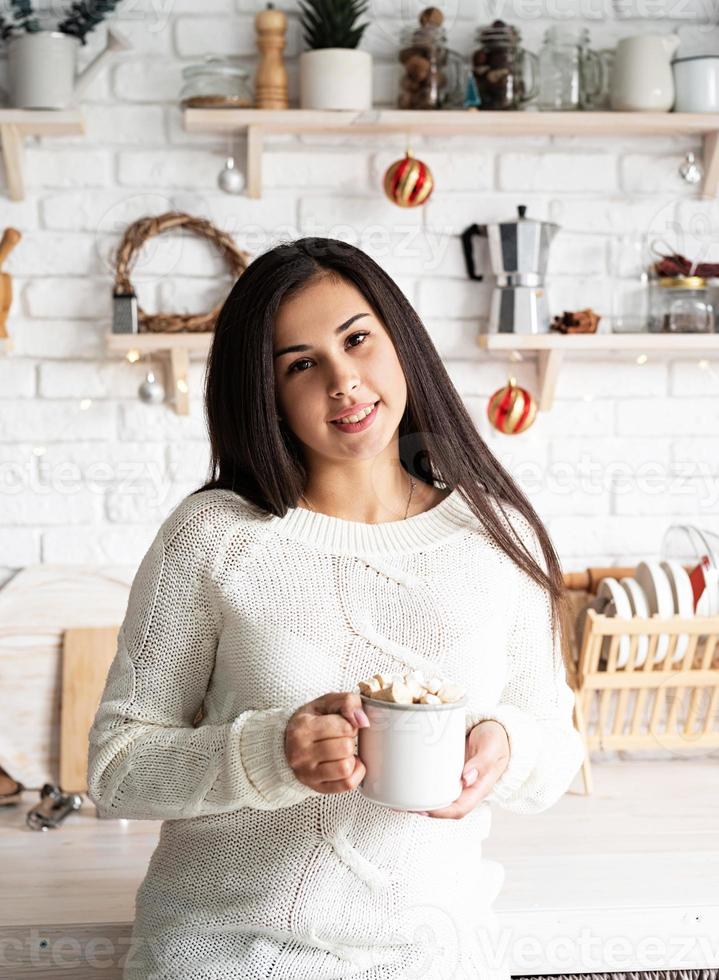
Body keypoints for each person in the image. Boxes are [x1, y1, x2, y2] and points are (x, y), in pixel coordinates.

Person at [87, 237, 585, 980]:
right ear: (266, 393)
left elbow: (556, 746)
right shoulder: (214, 537)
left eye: (356, 340)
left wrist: (504, 746)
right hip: (231, 955)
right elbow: (116, 768)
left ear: (400, 343)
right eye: (300, 364)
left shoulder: (494, 536)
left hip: (436, 954)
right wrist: (268, 752)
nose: (344, 382)